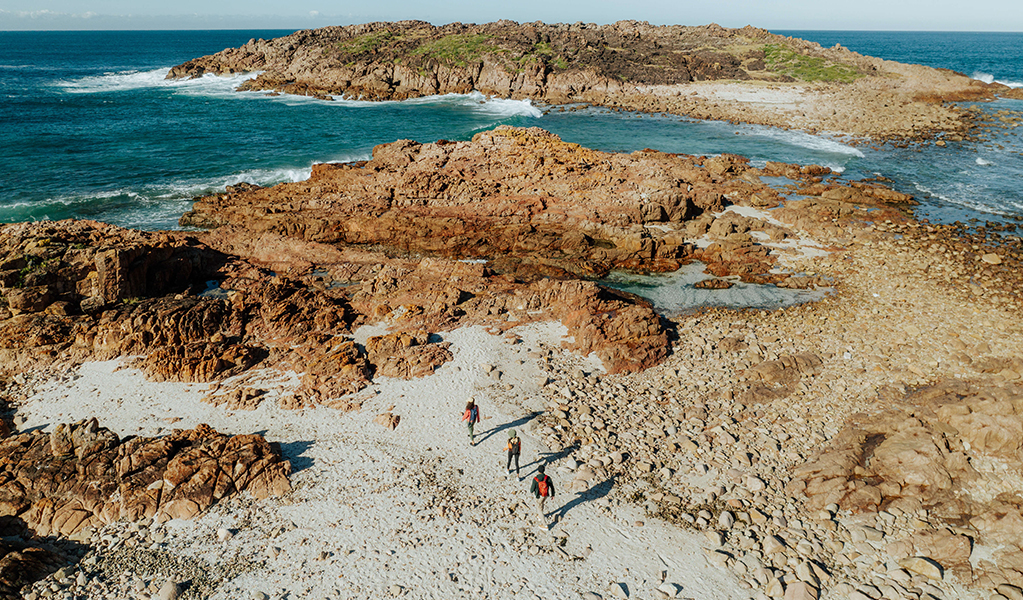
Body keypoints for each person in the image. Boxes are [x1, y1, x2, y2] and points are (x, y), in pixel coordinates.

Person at [530, 463, 555, 527]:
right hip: (546, 495)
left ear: (538, 471)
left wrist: (533, 491)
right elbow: (552, 486)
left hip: (539, 495)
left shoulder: (535, 479)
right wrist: (553, 495)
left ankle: (544, 525)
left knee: (539, 508)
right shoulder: (547, 477)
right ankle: (539, 516)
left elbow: (531, 490)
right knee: (542, 503)